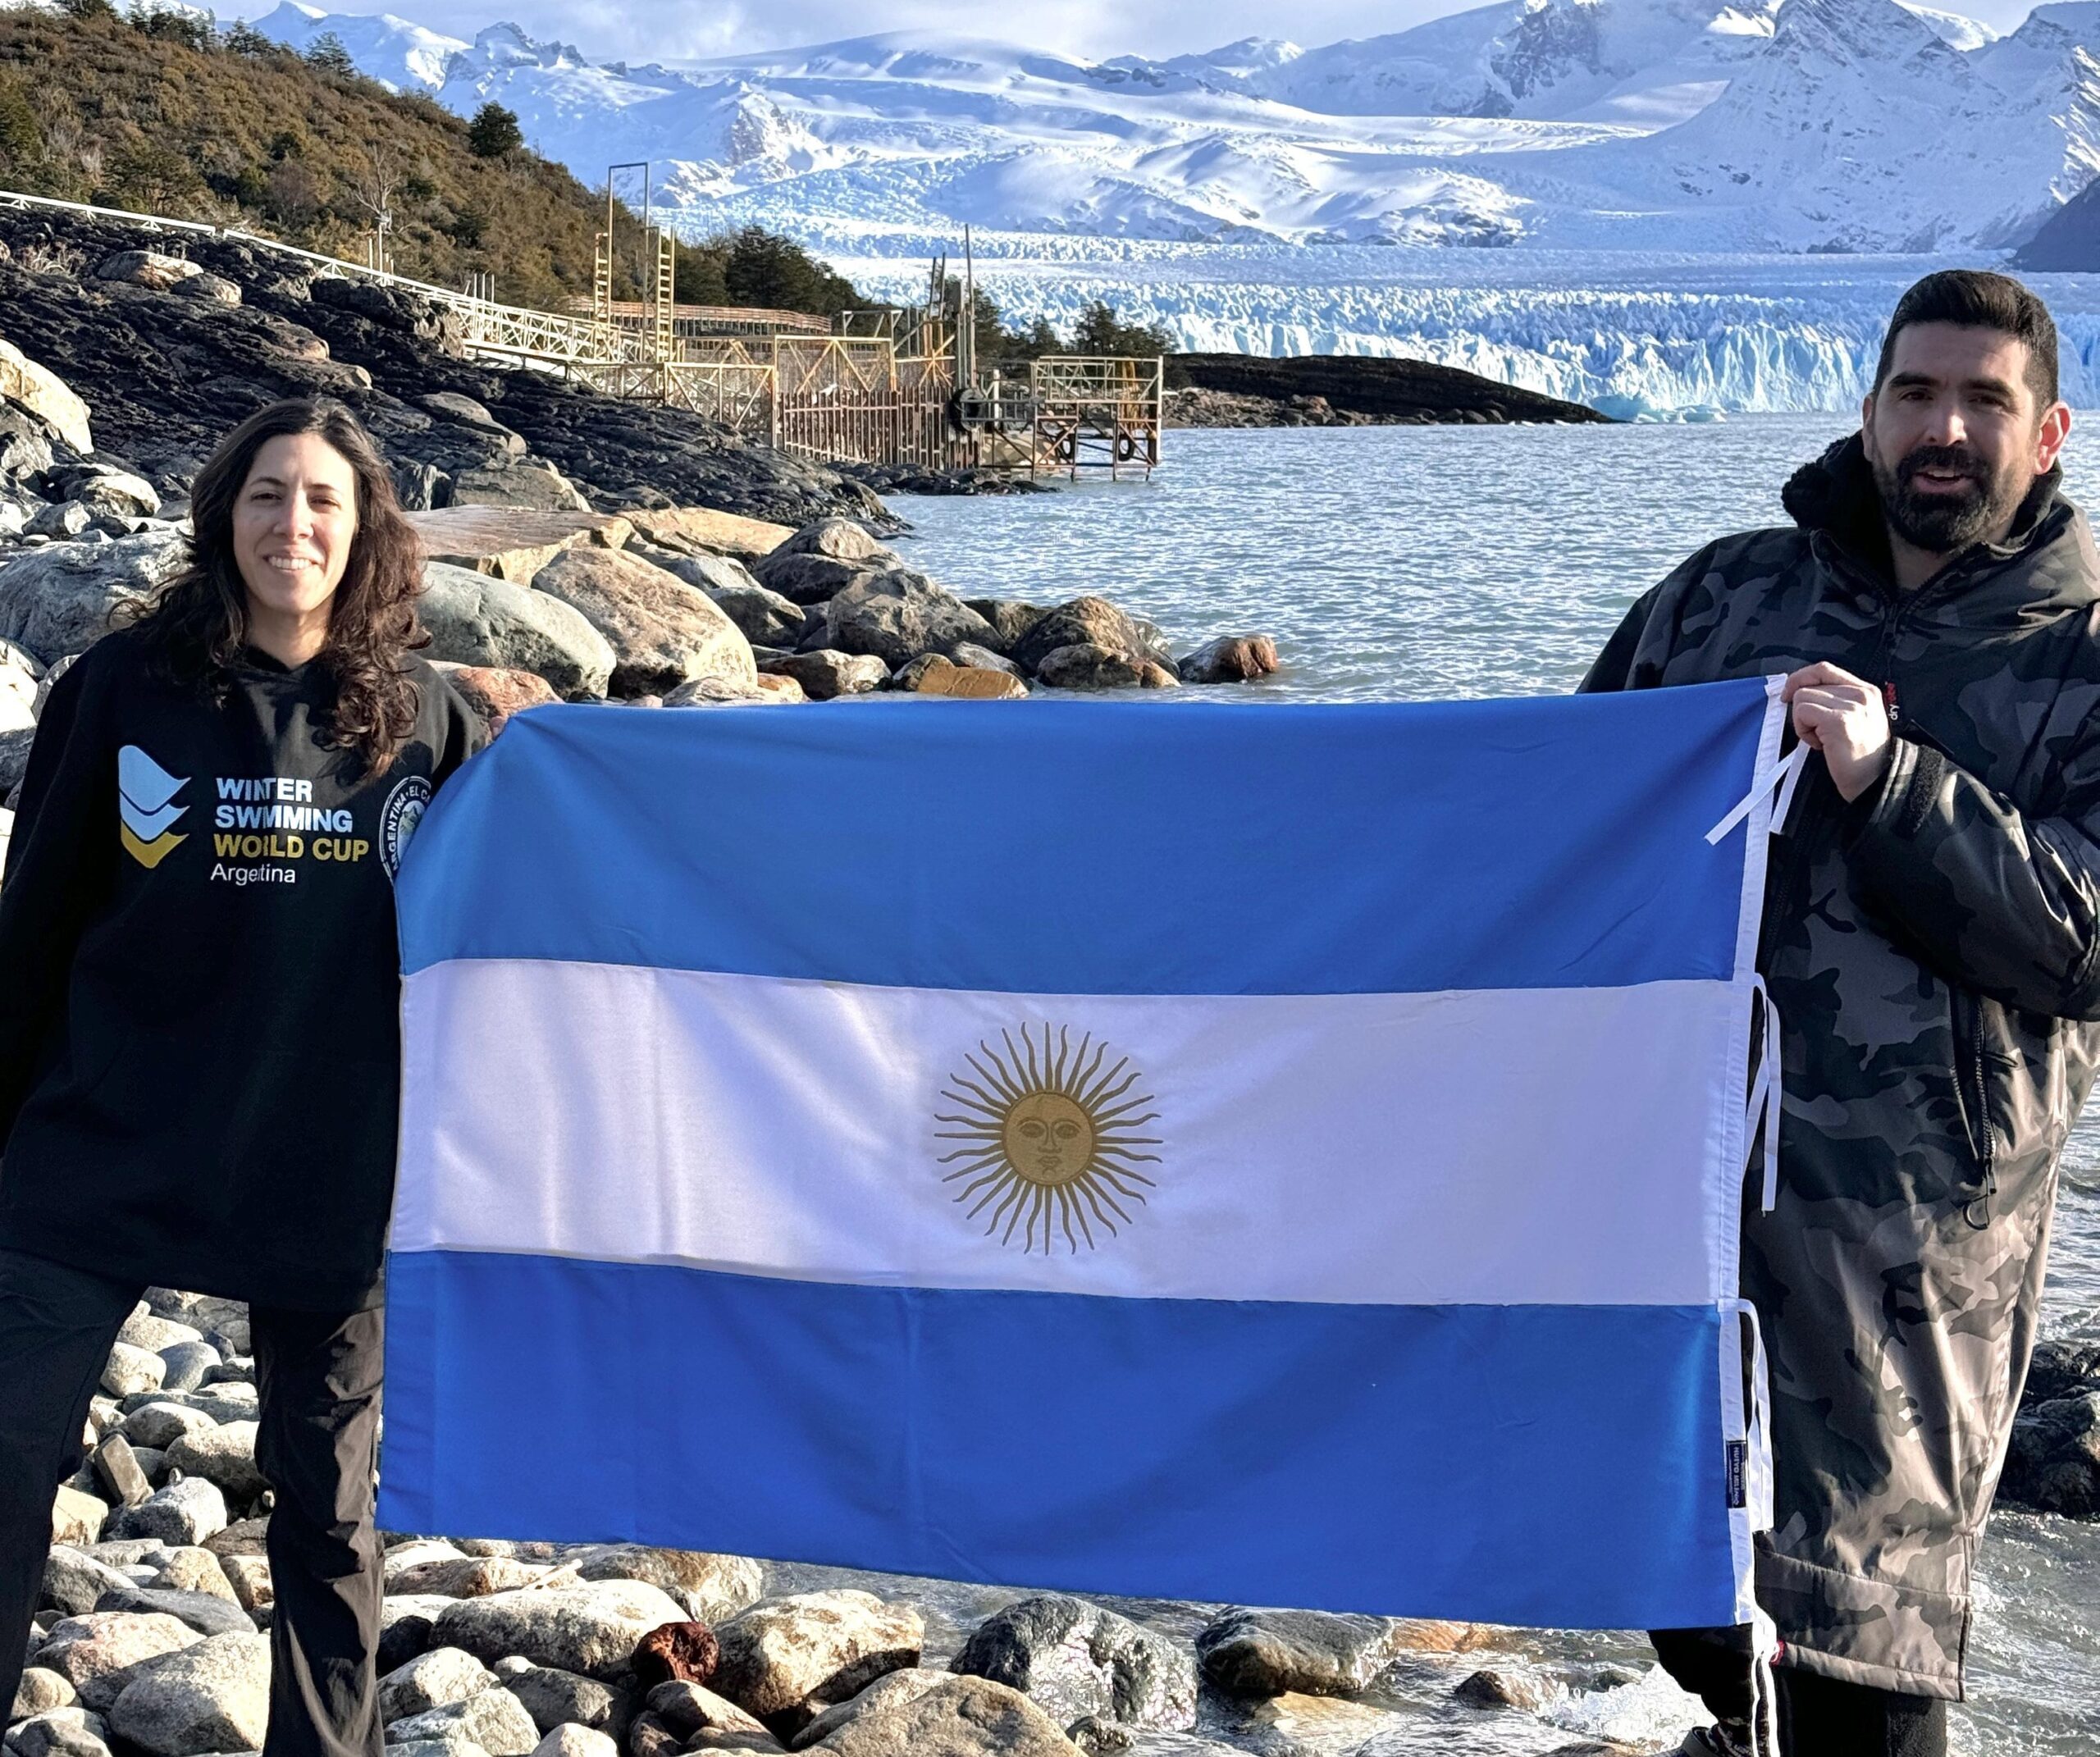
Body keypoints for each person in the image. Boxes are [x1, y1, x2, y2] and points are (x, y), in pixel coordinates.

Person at [1583, 269, 2099, 1756]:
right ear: (1869, 411)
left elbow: (2084, 938)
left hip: (1920, 1230)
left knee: (1868, 1640)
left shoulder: (2080, 658)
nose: (1945, 429)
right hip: (1686, 1193)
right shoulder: (1726, 594)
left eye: (1983, 401)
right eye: (1916, 395)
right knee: (1695, 1585)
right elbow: (1563, 818)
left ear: (2047, 430)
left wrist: (1899, 786)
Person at [0, 398, 483, 1757]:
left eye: (325, 500)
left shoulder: (424, 722)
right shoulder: (125, 687)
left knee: (328, 1518)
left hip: (324, 1165)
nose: (295, 525)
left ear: (367, 529)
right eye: (269, 494)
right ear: (225, 516)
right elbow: (32, 923)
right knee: (1, 1462)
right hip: (103, 1140)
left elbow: (522, 937)